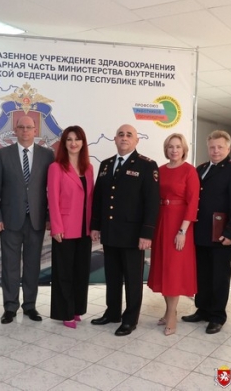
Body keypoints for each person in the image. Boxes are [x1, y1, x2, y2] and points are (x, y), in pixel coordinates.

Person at [90, 124, 160, 336]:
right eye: (121, 134)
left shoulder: (147, 165)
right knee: (112, 276)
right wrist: (95, 226)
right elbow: (99, 199)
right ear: (115, 139)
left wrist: (147, 233)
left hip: (133, 235)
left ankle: (130, 319)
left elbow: (152, 202)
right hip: (110, 231)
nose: (124, 137)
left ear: (136, 140)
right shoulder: (106, 164)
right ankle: (112, 313)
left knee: (132, 279)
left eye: (129, 135)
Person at [0, 115, 55, 324]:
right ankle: (10, 307)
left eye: (29, 127)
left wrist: (49, 217)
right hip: (10, 220)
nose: (25, 130)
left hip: (36, 220)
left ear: (35, 131)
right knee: (10, 266)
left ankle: (30, 306)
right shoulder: (3, 154)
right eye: (21, 127)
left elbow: (52, 190)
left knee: (32, 265)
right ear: (15, 131)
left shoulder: (47, 155)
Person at [182, 130, 231, 334]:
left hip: (222, 232)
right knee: (202, 273)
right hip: (201, 231)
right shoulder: (201, 168)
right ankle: (202, 309)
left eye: (220, 147)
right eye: (212, 147)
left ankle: (217, 316)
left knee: (219, 275)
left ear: (228, 148)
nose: (216, 150)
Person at [148, 134, 199, 336]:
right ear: (166, 149)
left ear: (184, 149)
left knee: (174, 271)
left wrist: (182, 231)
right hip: (162, 221)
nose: (174, 150)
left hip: (179, 224)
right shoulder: (159, 170)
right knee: (163, 268)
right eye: (170, 146)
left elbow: (193, 203)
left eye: (178, 146)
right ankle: (169, 310)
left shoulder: (189, 171)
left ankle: (171, 315)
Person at [47, 126, 94, 329]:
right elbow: (52, 199)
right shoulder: (56, 167)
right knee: (63, 273)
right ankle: (64, 312)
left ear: (83, 143)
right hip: (64, 228)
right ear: (64, 143)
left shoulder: (89, 168)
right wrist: (56, 227)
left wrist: (94, 226)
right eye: (69, 139)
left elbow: (91, 199)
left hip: (85, 228)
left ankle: (76, 309)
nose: (73, 143)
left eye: (77, 139)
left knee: (81, 272)